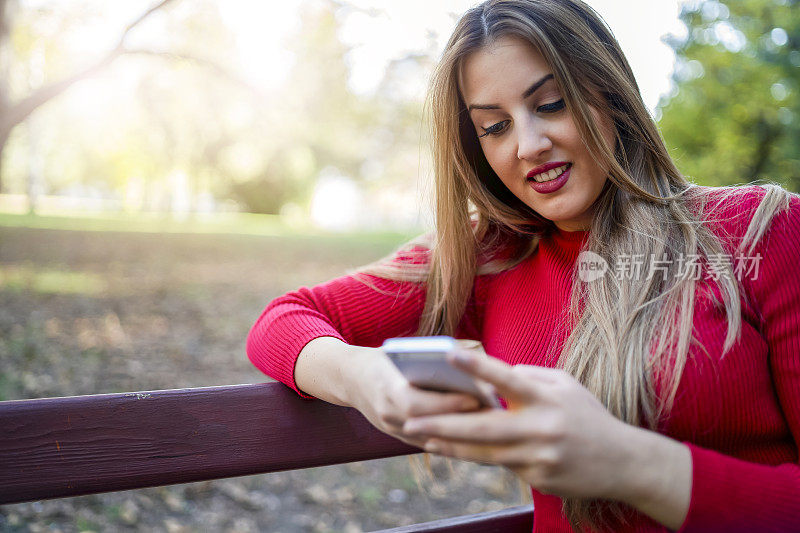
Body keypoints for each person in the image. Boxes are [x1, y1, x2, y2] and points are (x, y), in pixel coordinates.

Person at [246, 0, 800, 531]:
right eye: (495, 127)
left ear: (609, 95)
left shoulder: (760, 232)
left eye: (551, 104)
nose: (528, 145)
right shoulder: (491, 257)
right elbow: (284, 321)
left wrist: (629, 463)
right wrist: (366, 378)